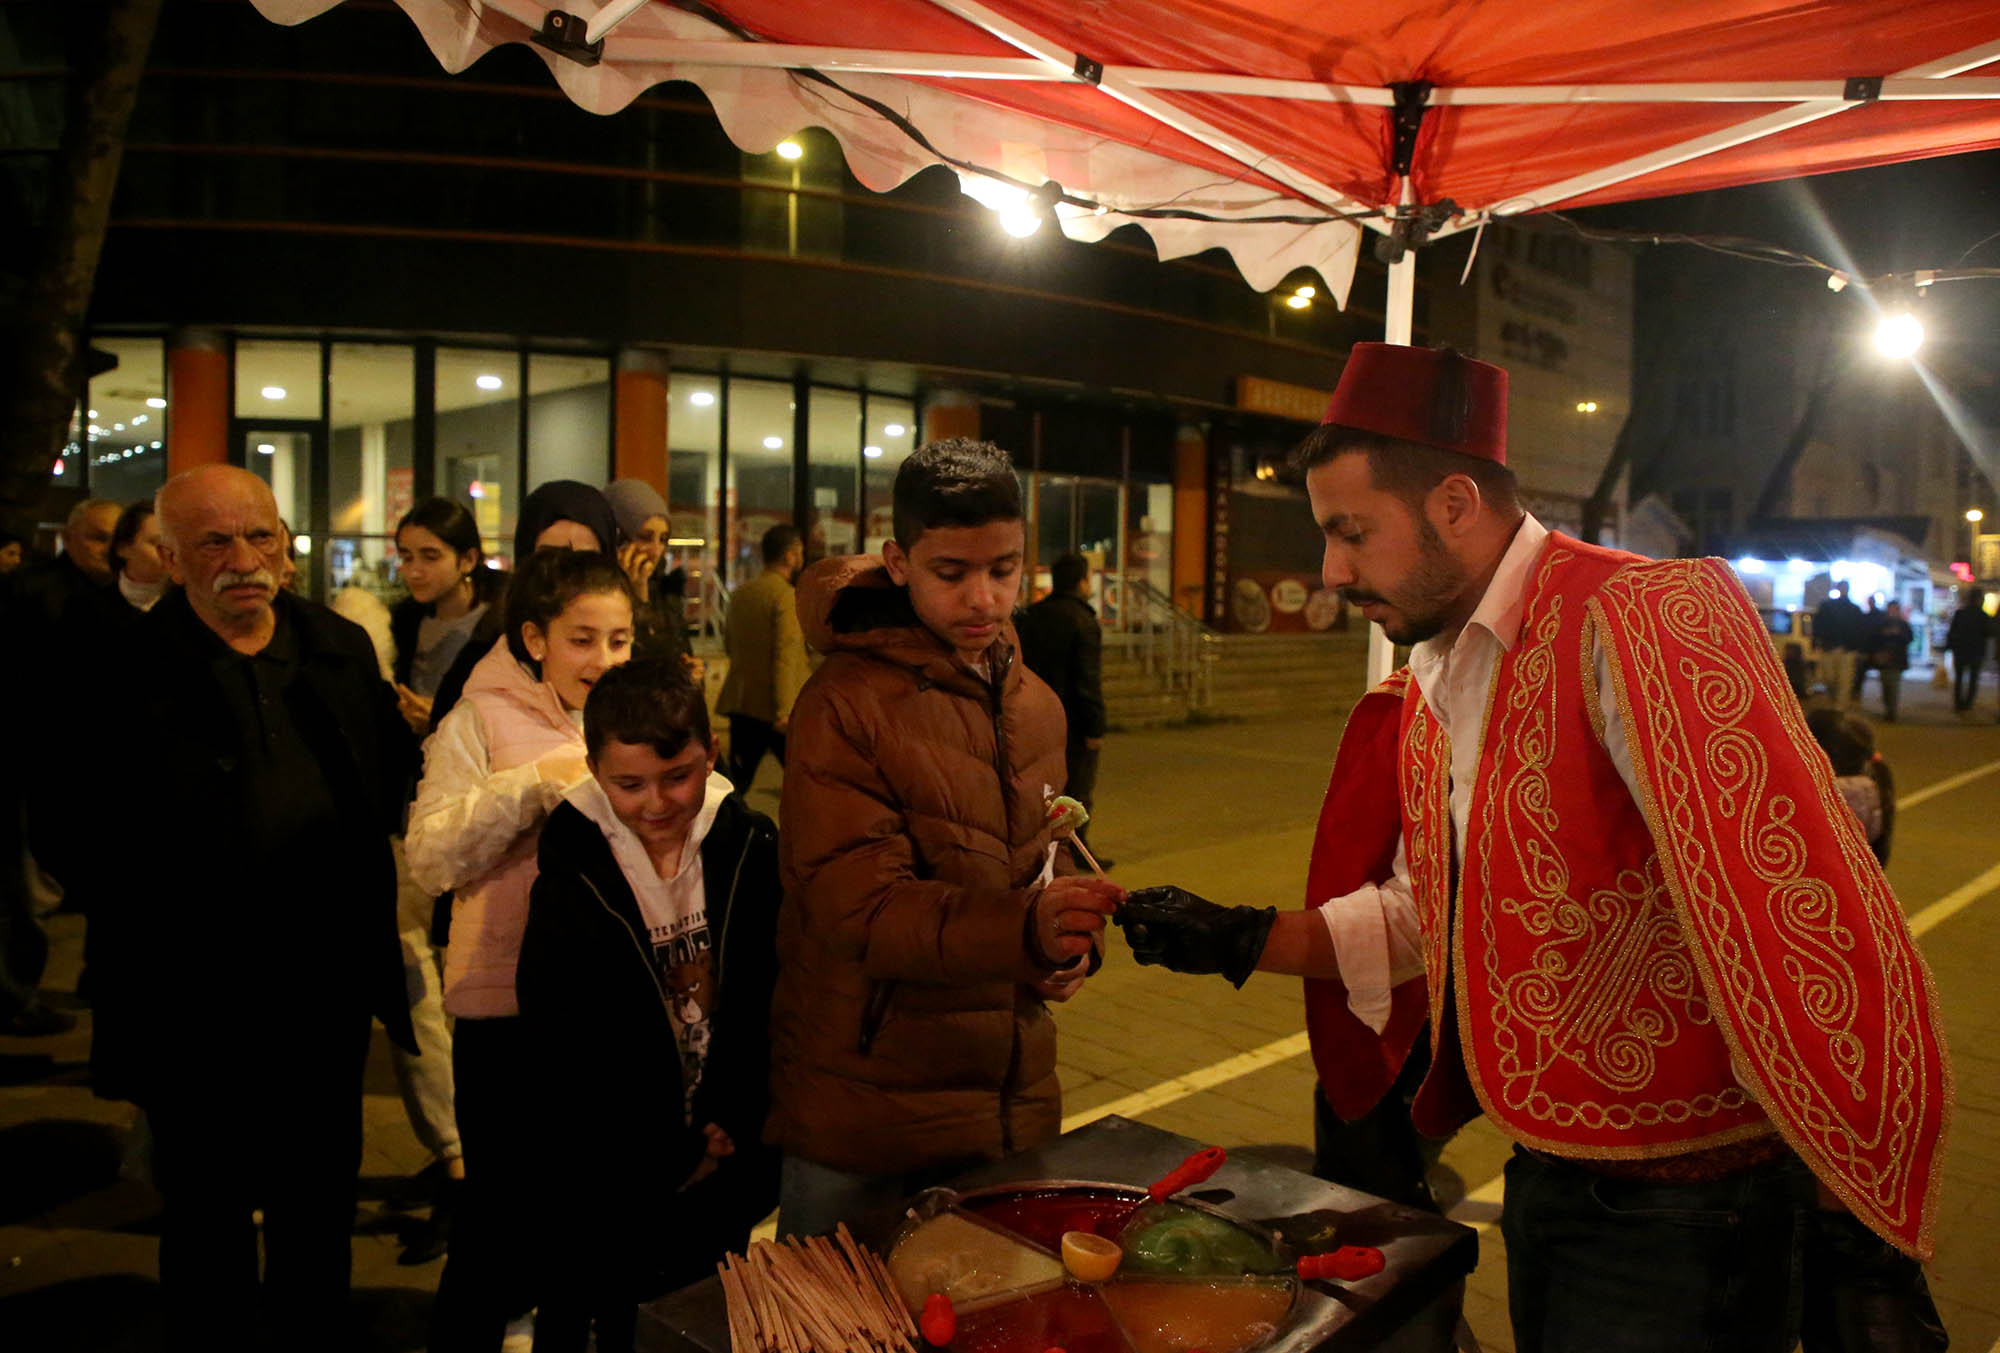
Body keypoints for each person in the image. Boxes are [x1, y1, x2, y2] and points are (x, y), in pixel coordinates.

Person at [1114, 345, 1950, 1353]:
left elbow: (1807, 921)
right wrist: (1246, 938)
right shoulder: (1439, 673)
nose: (1330, 571)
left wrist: (1863, 1245)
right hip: (1547, 1179)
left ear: (1455, 505)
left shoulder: (1642, 615)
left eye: (1350, 532)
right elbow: (1438, 917)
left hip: (1692, 1213)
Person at [45, 465, 417, 1351]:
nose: (245, 560)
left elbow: (391, 777)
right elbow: (67, 824)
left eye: (263, 536)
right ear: (171, 560)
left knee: (317, 1205)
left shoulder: (335, 647)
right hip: (190, 1003)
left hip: (320, 992)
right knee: (205, 1212)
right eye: (216, 541)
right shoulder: (119, 670)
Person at [767, 438, 1124, 1238]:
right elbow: (859, 908)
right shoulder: (844, 703)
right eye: (951, 572)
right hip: (866, 1116)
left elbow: (1049, 860)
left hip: (1004, 1106)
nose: (984, 599)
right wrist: (1026, 932)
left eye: (1003, 569)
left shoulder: (1036, 704)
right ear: (899, 561)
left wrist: (1070, 943)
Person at [407, 547, 636, 1353]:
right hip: (503, 1005)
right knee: (497, 1220)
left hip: (614, 1008)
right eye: (582, 639)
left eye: (619, 639)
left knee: (588, 1215)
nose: (603, 660)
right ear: (535, 638)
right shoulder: (479, 716)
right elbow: (430, 856)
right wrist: (537, 781)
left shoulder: (634, 712)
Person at [518, 658, 781, 1353]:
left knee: (698, 1314)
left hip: (723, 1149)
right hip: (613, 1168)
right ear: (594, 767)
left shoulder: (748, 846)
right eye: (629, 784)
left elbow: (763, 999)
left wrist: (729, 1126)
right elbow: (563, 1042)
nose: (658, 802)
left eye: (679, 776)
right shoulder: (573, 872)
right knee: (614, 1312)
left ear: (711, 754)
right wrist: (667, 1153)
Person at [426, 479, 621, 732]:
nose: (567, 574)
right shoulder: (486, 656)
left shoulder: (627, 662)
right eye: (549, 556)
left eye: (584, 559)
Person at [1016, 552, 1110, 868]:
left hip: (1032, 715)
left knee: (1041, 786)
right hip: (1073, 720)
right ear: (1082, 582)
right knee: (1078, 789)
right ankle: (1073, 852)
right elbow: (1087, 679)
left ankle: (1041, 849)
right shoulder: (1083, 620)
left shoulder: (1032, 615)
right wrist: (1095, 726)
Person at [391, 498, 504, 737]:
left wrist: (441, 716)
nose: (414, 571)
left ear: (468, 560)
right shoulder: (404, 621)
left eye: (430, 557)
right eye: (407, 557)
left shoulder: (498, 625)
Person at [716, 524, 808, 794]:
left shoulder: (741, 593)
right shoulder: (785, 596)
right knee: (806, 781)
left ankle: (724, 831)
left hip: (742, 702)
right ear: (789, 556)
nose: (801, 557)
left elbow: (729, 644)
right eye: (799, 551)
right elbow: (786, 655)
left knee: (737, 784)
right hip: (773, 709)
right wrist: (784, 709)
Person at [108, 501, 171, 613]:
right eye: (156, 542)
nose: (167, 552)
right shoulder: (87, 607)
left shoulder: (190, 605)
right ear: (123, 548)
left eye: (171, 543)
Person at [1862, 600, 1915, 721]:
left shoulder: (1903, 624)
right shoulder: (1881, 623)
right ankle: (1888, 707)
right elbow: (1873, 638)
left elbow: (1909, 638)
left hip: (1897, 659)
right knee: (1886, 684)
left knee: (1894, 685)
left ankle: (1892, 710)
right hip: (1884, 659)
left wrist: (1898, 634)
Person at [1811, 585, 1862, 708]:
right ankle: (1836, 704)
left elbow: (1860, 630)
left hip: (1845, 649)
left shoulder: (1850, 608)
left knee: (1843, 680)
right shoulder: (1829, 606)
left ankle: (1839, 708)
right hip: (1833, 647)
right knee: (1831, 679)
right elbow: (1817, 626)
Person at [1945, 588, 1989, 715]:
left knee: (1959, 678)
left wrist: (1950, 647)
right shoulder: (1983, 616)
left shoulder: (1960, 614)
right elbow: (1987, 632)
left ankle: (1958, 703)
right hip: (1976, 652)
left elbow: (1952, 632)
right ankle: (1968, 704)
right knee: (1973, 679)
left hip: (1960, 651)